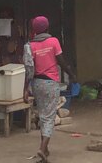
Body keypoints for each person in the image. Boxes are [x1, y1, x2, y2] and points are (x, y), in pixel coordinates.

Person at [24, 16, 75, 163]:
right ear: (47, 27)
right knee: (50, 117)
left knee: (43, 116)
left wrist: (25, 89)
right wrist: (71, 74)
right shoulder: (53, 41)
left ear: (34, 29)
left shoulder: (30, 45)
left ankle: (45, 152)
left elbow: (28, 69)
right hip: (51, 83)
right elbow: (61, 62)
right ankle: (42, 148)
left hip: (37, 83)